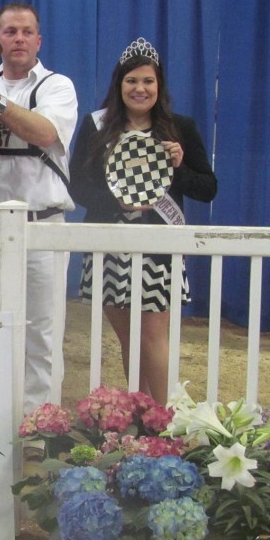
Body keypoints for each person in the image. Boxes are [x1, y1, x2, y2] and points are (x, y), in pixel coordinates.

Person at [69, 37, 217, 403]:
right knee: (128, 338)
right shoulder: (97, 126)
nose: (140, 88)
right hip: (110, 245)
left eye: (148, 81)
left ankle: (165, 417)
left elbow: (207, 188)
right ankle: (142, 409)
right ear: (119, 85)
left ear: (159, 86)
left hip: (158, 248)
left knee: (152, 335)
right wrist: (115, 199)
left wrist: (180, 167)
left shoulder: (179, 128)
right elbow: (77, 186)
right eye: (132, 81)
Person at [0, 2, 78, 414]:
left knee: (42, 329)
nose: (18, 39)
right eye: (10, 31)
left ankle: (40, 422)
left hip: (42, 225)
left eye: (26, 31)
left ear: (38, 40)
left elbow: (46, 132)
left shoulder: (56, 86)